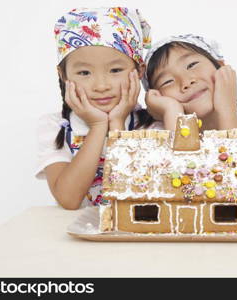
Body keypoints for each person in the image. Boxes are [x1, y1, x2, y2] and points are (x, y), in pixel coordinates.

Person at [143, 34, 237, 207]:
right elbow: (182, 197)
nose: (186, 82)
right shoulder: (163, 130)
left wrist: (226, 110)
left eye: (192, 65)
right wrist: (172, 111)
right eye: (167, 81)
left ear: (221, 67)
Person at [35, 7, 155, 209]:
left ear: (139, 70)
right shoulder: (56, 127)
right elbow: (69, 200)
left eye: (115, 70)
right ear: (63, 76)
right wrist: (98, 126)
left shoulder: (152, 125)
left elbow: (137, 196)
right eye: (84, 73)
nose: (101, 86)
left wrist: (117, 123)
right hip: (78, 238)